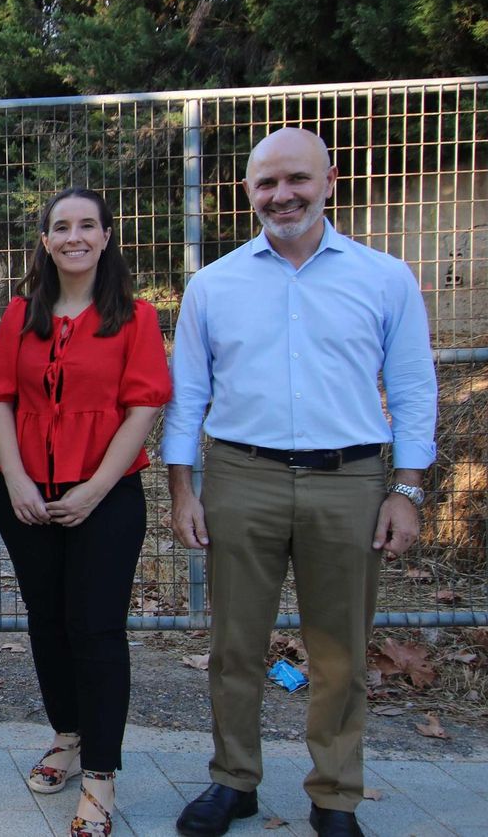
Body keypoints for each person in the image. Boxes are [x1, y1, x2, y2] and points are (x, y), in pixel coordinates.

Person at [165, 128, 437, 837]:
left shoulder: (383, 278)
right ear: (248, 192)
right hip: (240, 475)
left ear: (329, 180)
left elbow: (411, 387)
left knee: (340, 649)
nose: (281, 195)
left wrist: (406, 490)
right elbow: (187, 395)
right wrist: (182, 490)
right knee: (234, 643)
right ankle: (234, 781)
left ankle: (336, 795)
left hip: (349, 482)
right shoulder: (215, 284)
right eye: (265, 183)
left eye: (297, 179)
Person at [0, 188, 172, 837]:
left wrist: (93, 488)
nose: (74, 236)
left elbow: (144, 406)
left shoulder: (135, 317)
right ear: (44, 240)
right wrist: (15, 481)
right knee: (48, 624)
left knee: (96, 632)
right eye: (61, 226)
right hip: (30, 497)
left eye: (86, 225)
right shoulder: (20, 315)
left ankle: (100, 775)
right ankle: (65, 735)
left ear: (106, 235)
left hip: (106, 497)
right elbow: (0, 398)